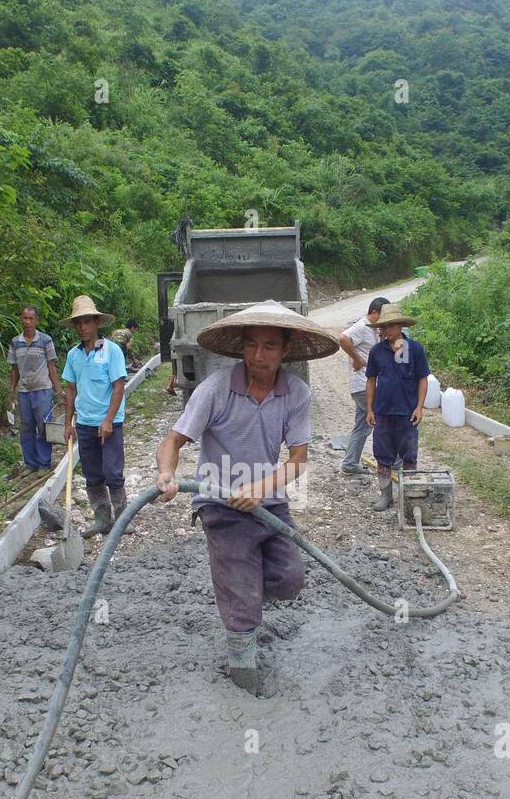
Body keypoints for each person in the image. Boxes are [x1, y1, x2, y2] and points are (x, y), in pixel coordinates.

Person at [155, 301, 338, 693]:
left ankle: (245, 595)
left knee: (290, 580)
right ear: (240, 347)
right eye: (252, 345)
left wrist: (261, 488)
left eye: (270, 346)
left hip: (267, 502)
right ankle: (242, 664)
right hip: (220, 505)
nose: (259, 355)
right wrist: (167, 474)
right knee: (242, 597)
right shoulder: (216, 388)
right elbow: (173, 441)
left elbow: (298, 460)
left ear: (286, 349)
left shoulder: (295, 393)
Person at [60, 295, 129, 535]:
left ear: (97, 323)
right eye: (78, 323)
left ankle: (122, 519)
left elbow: (118, 387)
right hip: (85, 424)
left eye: (87, 322)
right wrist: (68, 423)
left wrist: (108, 420)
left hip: (109, 423)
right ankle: (102, 519)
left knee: (113, 472)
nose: (83, 327)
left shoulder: (112, 351)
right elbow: (71, 389)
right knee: (92, 474)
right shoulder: (73, 355)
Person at [365, 303, 429, 511]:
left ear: (400, 326)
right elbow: (370, 380)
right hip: (383, 413)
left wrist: (419, 407)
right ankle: (386, 496)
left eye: (390, 326)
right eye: (384, 327)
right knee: (382, 455)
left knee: (409, 455)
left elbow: (422, 379)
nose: (385, 331)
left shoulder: (416, 349)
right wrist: (370, 409)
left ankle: (409, 496)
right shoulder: (377, 351)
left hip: (407, 413)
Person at [337, 297, 389, 474]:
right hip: (363, 385)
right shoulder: (362, 326)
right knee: (379, 420)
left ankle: (350, 464)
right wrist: (358, 359)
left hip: (366, 385)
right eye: (381, 315)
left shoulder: (375, 330)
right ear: (374, 312)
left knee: (362, 426)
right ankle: (391, 463)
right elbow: (343, 338)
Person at [7, 306, 61, 472]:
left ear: (36, 320)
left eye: (31, 318)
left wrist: (58, 391)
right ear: (21, 319)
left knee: (43, 426)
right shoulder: (16, 343)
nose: (28, 322)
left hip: (43, 390)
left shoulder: (45, 340)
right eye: (25, 318)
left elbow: (51, 367)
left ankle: (44, 463)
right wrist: (12, 392)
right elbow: (14, 369)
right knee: (26, 428)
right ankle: (31, 463)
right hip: (24, 392)